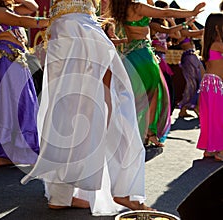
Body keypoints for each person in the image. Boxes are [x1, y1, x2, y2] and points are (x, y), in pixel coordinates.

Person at [21, 0, 153, 215]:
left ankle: (61, 195)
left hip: (64, 26)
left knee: (68, 107)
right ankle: (121, 187)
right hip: (78, 25)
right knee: (110, 99)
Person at [108, 0, 205, 147]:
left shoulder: (118, 10)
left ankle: (133, 133)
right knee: (152, 95)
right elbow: (166, 12)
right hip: (144, 56)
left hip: (129, 58)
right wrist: (191, 13)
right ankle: (148, 133)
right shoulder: (137, 7)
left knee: (134, 96)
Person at [0, 0, 49, 166]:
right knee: (13, 105)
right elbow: (21, 21)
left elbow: (32, 7)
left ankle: (5, 154)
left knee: (18, 105)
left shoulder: (10, 9)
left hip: (17, 62)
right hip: (7, 62)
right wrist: (49, 21)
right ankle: (8, 153)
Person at [149, 0, 195, 115]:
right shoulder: (153, 24)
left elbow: (177, 35)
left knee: (167, 88)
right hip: (156, 57)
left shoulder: (165, 23)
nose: (168, 11)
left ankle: (162, 114)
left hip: (163, 58)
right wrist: (184, 24)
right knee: (163, 87)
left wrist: (171, 20)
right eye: (166, 9)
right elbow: (168, 31)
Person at [197, 13, 223, 161]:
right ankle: (221, 150)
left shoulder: (210, 44)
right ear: (219, 28)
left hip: (208, 83)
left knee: (212, 117)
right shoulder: (218, 45)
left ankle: (210, 149)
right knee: (219, 117)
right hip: (215, 84)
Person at [175, 17, 204, 118]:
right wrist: (211, 27)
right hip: (189, 56)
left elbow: (199, 35)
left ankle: (191, 107)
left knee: (199, 81)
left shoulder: (186, 29)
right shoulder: (182, 31)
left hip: (193, 56)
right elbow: (197, 33)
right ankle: (186, 107)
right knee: (192, 83)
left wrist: (192, 24)